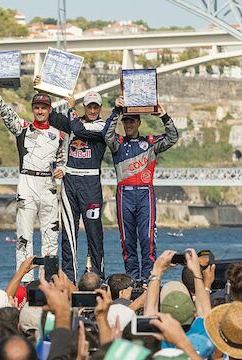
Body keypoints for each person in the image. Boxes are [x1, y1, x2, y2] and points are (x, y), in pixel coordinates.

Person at [0, 87, 65, 283]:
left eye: (43, 108)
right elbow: (6, 112)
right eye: (37, 107)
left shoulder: (59, 136)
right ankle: (25, 281)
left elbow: (62, 160)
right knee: (23, 237)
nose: (40, 111)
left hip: (48, 185)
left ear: (49, 110)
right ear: (33, 109)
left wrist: (61, 169)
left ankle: (50, 279)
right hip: (27, 183)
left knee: (51, 235)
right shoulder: (22, 128)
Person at [44, 86, 117, 282]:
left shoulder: (103, 127)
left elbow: (78, 129)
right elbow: (49, 116)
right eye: (89, 107)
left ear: (100, 108)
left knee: (94, 233)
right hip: (70, 182)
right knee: (68, 234)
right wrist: (46, 88)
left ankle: (97, 278)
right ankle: (69, 278)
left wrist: (71, 109)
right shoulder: (72, 121)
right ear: (84, 107)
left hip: (91, 183)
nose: (92, 111)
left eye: (96, 107)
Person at [104, 97, 178, 282]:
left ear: (139, 122)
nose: (128, 124)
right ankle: (132, 279)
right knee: (127, 242)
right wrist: (116, 111)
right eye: (125, 121)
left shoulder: (150, 143)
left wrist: (164, 116)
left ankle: (147, 278)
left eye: (131, 121)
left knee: (147, 240)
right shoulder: (117, 144)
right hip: (124, 195)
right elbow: (106, 134)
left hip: (145, 194)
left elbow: (173, 137)